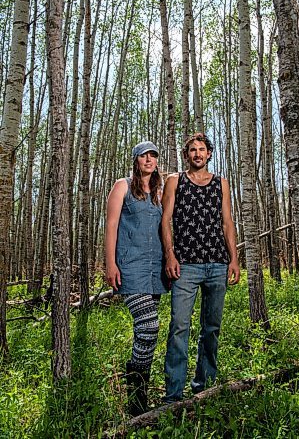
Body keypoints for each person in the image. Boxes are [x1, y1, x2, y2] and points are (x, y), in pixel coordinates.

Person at [162, 132, 240, 402]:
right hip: (186, 266)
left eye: (202, 149)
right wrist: (170, 256)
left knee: (211, 327)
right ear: (187, 155)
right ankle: (173, 394)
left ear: (209, 153)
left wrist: (234, 259)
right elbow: (166, 221)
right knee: (179, 327)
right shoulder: (175, 181)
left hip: (217, 263)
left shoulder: (222, 183)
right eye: (193, 150)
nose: (197, 153)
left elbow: (228, 223)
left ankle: (203, 387)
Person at [105, 141, 169, 416]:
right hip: (130, 267)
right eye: (144, 155)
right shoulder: (122, 185)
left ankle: (138, 393)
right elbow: (111, 225)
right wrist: (110, 264)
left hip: (156, 268)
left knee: (145, 333)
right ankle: (136, 393)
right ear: (135, 159)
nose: (149, 160)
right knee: (150, 324)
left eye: (153, 155)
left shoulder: (160, 191)